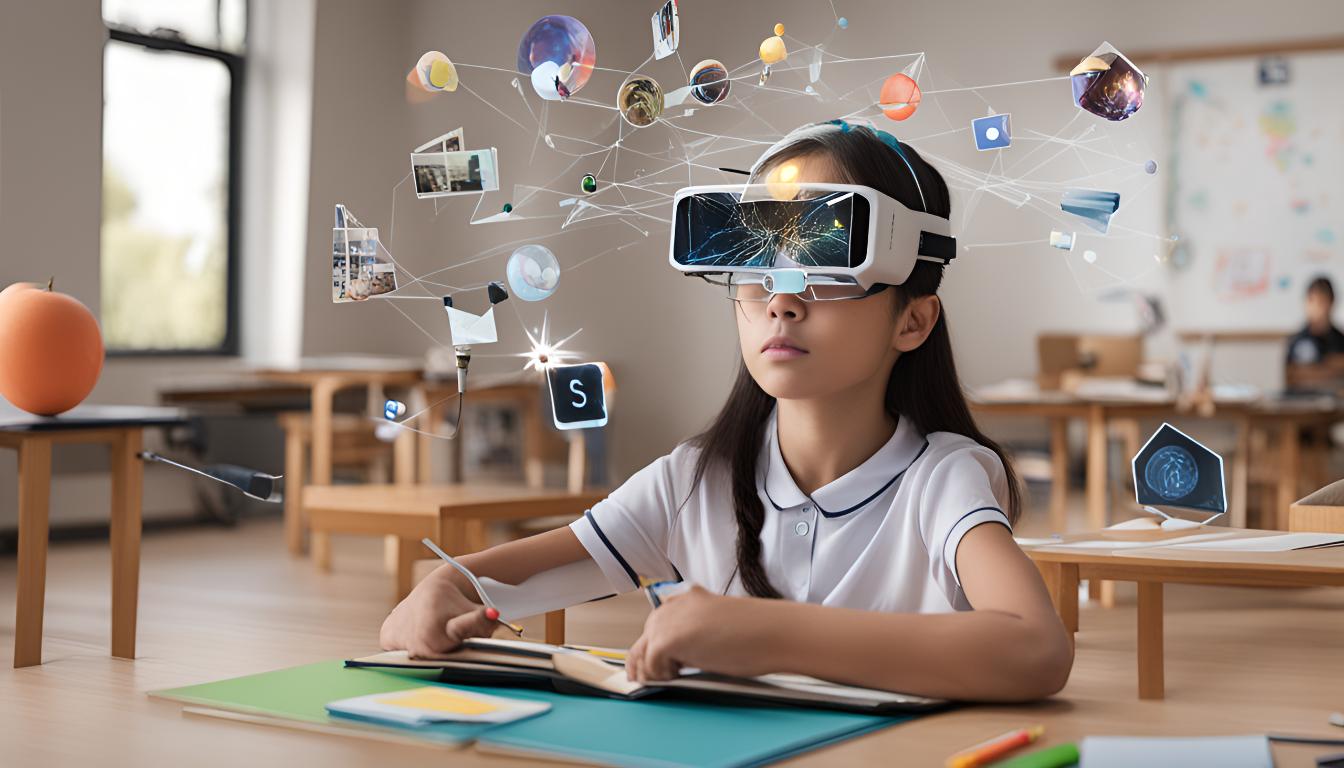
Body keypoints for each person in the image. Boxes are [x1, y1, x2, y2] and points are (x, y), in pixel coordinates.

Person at [380, 120, 1074, 702]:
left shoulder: (942, 480)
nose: (782, 299)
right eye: (758, 264)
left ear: (913, 321)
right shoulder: (693, 481)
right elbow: (505, 582)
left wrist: (765, 634)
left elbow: (1035, 647)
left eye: (825, 261)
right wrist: (444, 585)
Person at [1286, 276, 1344, 393]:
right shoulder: (1296, 340)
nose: (1317, 307)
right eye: (1312, 300)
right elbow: (1292, 376)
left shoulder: (1340, 339)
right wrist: (1330, 366)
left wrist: (1310, 370)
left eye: (1322, 301)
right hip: (1301, 404)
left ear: (1331, 303)